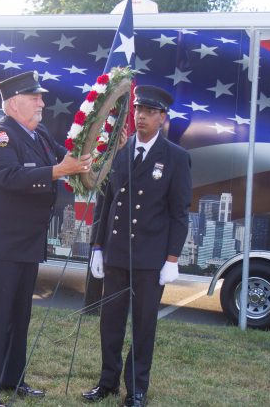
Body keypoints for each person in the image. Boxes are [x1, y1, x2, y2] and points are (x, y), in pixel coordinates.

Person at [0, 71, 92, 406]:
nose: (42, 102)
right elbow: (11, 177)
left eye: (41, 96)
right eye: (34, 97)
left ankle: (12, 380)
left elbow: (67, 157)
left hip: (24, 244)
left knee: (19, 315)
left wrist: (87, 157)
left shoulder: (39, 135)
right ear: (12, 103)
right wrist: (58, 171)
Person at [81, 85, 192, 407]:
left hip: (149, 259)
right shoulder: (119, 152)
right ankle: (107, 382)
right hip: (116, 253)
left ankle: (137, 389)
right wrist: (97, 246)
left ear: (162, 118)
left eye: (149, 112)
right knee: (110, 322)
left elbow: (179, 213)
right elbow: (106, 202)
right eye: (138, 111)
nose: (141, 117)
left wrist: (172, 257)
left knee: (143, 325)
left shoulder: (175, 157)